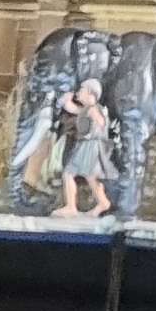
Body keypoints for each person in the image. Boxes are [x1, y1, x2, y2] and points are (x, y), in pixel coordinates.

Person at [58, 78, 112, 221]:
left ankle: (71, 207)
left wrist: (97, 119)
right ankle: (102, 202)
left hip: (90, 146)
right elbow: (74, 109)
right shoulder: (87, 109)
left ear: (89, 93)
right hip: (86, 145)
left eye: (82, 91)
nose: (79, 93)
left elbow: (101, 122)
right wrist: (67, 101)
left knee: (70, 173)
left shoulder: (93, 109)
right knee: (90, 176)